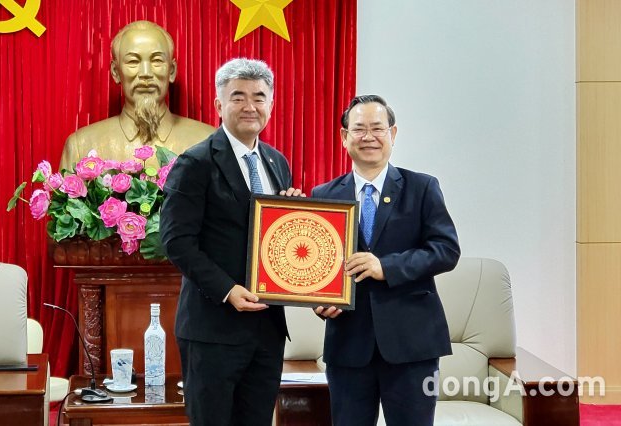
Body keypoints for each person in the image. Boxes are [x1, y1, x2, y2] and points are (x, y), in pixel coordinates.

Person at [160, 58, 303, 426]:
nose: (250, 106)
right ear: (219, 105)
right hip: (214, 329)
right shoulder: (196, 163)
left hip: (268, 329)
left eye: (259, 97)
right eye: (238, 97)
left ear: (271, 105)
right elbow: (176, 240)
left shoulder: (276, 162)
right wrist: (227, 290)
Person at [313, 95, 461, 426]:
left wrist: (387, 267)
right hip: (348, 346)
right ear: (343, 137)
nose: (369, 137)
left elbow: (446, 250)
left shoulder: (421, 188)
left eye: (377, 128)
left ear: (392, 135)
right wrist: (318, 300)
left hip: (412, 347)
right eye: (359, 129)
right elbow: (317, 266)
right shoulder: (323, 195)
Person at [59, 20, 214, 170]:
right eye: (133, 61)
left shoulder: (209, 143)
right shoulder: (82, 146)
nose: (145, 73)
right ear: (115, 72)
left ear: (171, 71)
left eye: (157, 61)